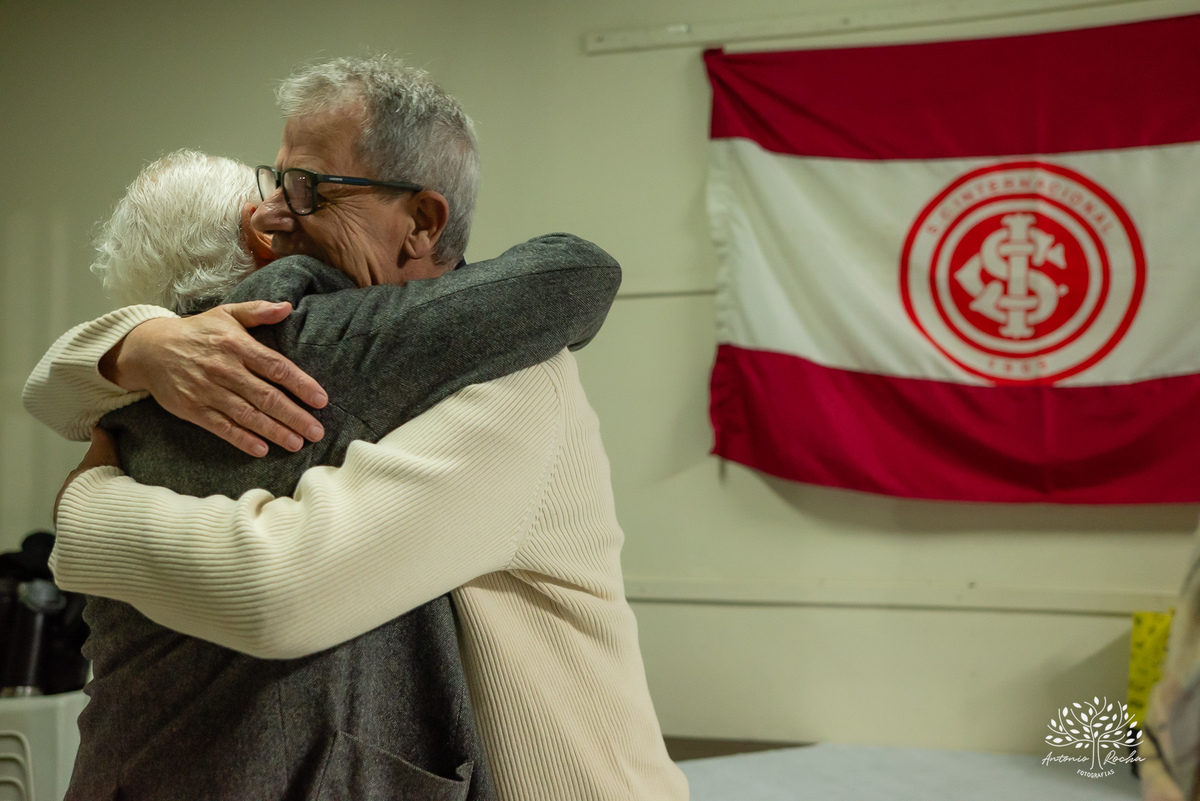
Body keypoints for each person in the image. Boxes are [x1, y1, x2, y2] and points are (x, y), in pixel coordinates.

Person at [30, 56, 689, 799]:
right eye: (277, 180)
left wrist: (84, 513)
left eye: (312, 188)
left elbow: (279, 591)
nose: (277, 213)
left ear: (422, 222)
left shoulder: (516, 381)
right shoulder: (292, 341)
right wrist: (135, 348)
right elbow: (50, 396)